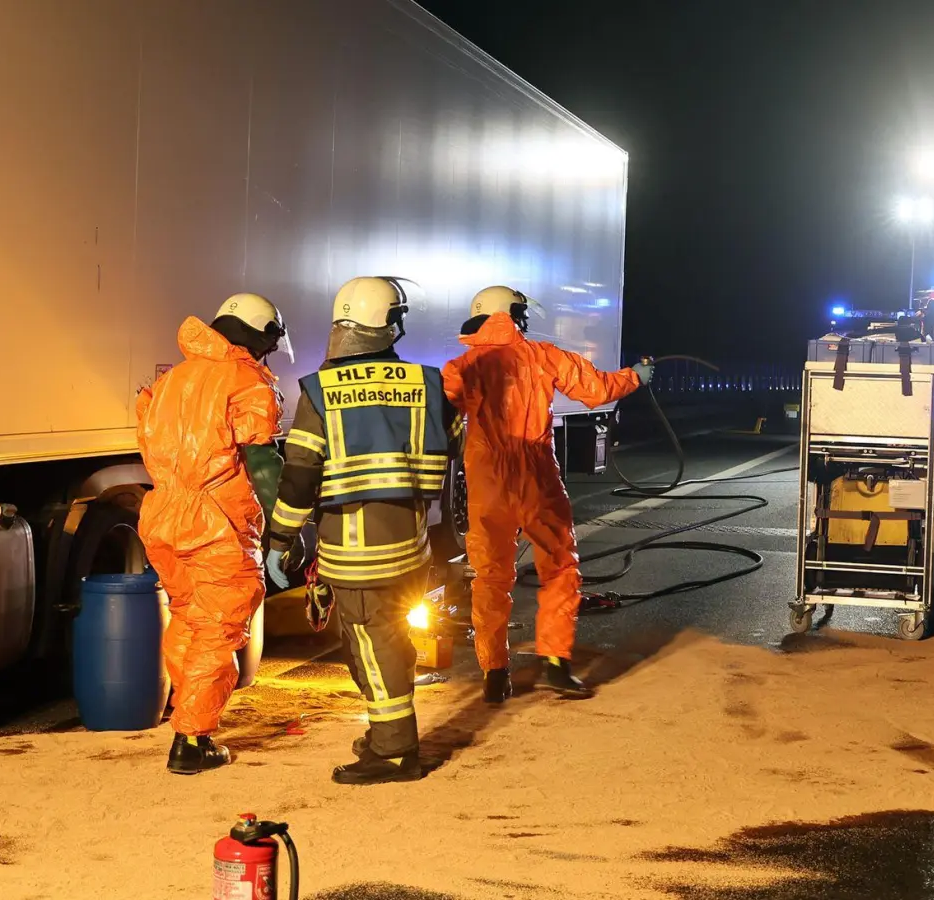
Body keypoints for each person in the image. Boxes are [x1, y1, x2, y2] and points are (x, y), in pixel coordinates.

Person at [265, 276, 457, 785]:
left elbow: (300, 475)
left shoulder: (321, 391)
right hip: (410, 547)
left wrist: (280, 540)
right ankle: (384, 736)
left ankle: (394, 752)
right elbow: (456, 453)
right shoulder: (426, 383)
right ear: (391, 324)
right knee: (386, 643)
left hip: (354, 552)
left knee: (374, 646)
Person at [443, 286, 653, 703]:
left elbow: (442, 419)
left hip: (487, 479)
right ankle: (556, 665)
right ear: (513, 316)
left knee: (490, 577)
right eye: (521, 314)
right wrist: (636, 377)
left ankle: (494, 674)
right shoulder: (542, 356)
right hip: (536, 474)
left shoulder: (459, 366)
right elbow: (596, 390)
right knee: (559, 568)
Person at [136, 293, 290, 774]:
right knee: (219, 626)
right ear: (259, 334)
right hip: (215, 520)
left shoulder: (172, 379)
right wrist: (287, 526)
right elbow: (262, 462)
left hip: (162, 512)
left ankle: (188, 713)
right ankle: (191, 739)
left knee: (188, 618)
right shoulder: (245, 380)